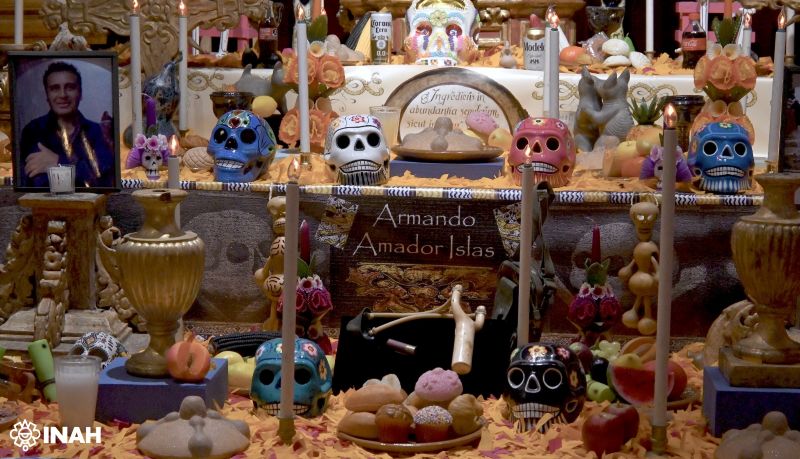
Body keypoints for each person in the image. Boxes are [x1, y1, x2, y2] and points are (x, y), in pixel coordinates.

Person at [19, 61, 114, 188]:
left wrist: (58, 162)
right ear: (47, 95)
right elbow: (39, 182)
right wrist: (81, 170)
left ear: (80, 93)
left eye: (70, 88)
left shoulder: (98, 131)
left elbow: (104, 182)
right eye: (55, 88)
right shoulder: (32, 130)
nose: (63, 95)